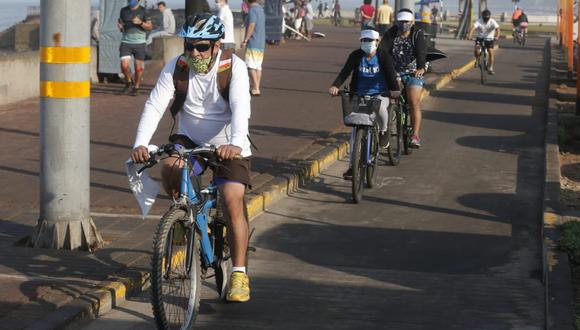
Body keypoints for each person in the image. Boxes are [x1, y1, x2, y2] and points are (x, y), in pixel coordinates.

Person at [130, 13, 253, 303]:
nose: (194, 53)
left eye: (202, 47)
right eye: (189, 46)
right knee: (170, 169)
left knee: (232, 197)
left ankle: (239, 273)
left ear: (217, 45)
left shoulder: (234, 67)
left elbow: (240, 107)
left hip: (228, 144)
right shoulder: (178, 67)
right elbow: (155, 105)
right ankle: (183, 223)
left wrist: (235, 143)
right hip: (189, 140)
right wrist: (140, 143)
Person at [329, 29, 400, 179]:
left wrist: (394, 89)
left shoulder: (383, 56)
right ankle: (352, 166)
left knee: (381, 108)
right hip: (359, 94)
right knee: (356, 128)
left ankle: (384, 131)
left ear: (377, 41)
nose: (367, 43)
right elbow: (345, 72)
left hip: (380, 93)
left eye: (370, 40)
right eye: (364, 40)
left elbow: (390, 74)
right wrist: (336, 85)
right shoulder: (356, 56)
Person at [378, 8, 427, 148]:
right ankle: (387, 128)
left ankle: (415, 136)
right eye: (401, 21)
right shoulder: (391, 33)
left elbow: (421, 51)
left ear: (412, 22)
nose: (403, 24)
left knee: (414, 102)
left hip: (414, 71)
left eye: (406, 21)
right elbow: (383, 51)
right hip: (395, 71)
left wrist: (421, 67)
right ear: (396, 21)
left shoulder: (417, 33)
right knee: (391, 98)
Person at [118, 0, 152, 96]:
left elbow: (150, 27)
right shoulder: (123, 10)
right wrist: (120, 27)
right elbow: (122, 25)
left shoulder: (144, 11)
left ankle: (136, 87)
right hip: (126, 42)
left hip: (139, 43)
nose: (130, 1)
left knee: (138, 68)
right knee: (124, 66)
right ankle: (129, 81)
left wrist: (140, 22)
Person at [242, 0, 266, 96]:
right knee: (258, 67)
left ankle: (256, 88)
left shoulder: (252, 11)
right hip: (261, 43)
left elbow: (252, 24)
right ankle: (256, 87)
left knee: (250, 66)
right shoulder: (261, 10)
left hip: (253, 42)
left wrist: (245, 40)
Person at [468, 9, 500, 74]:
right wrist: (470, 35)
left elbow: (498, 29)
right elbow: (473, 28)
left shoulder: (492, 21)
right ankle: (477, 60)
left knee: (491, 52)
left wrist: (497, 36)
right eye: (484, 17)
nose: (486, 19)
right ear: (482, 16)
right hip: (480, 38)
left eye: (487, 17)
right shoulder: (479, 21)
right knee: (477, 49)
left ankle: (490, 68)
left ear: (490, 17)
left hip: (489, 38)